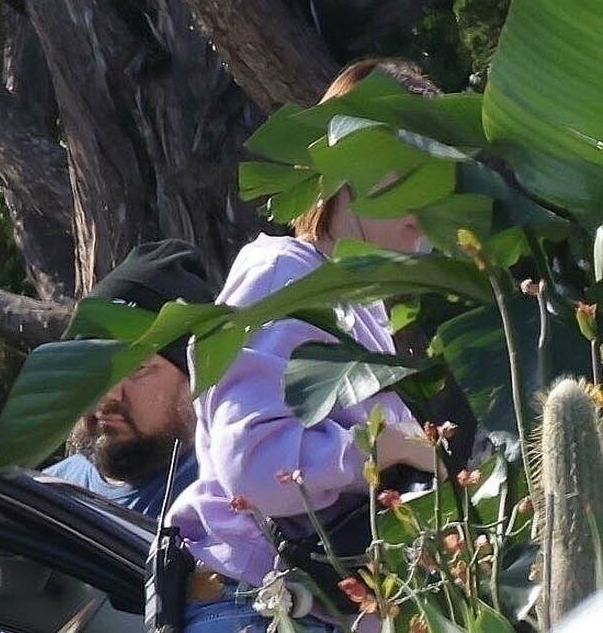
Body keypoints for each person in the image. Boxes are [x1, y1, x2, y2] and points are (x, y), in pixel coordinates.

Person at [169, 58, 446, 633]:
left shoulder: (356, 298)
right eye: (412, 177)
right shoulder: (283, 274)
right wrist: (391, 446)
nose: (427, 212)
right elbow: (252, 465)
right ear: (350, 166)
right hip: (259, 605)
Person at [45, 240, 212, 520]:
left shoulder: (221, 503)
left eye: (136, 367)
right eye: (94, 364)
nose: (109, 393)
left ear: (193, 378)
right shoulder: (48, 494)